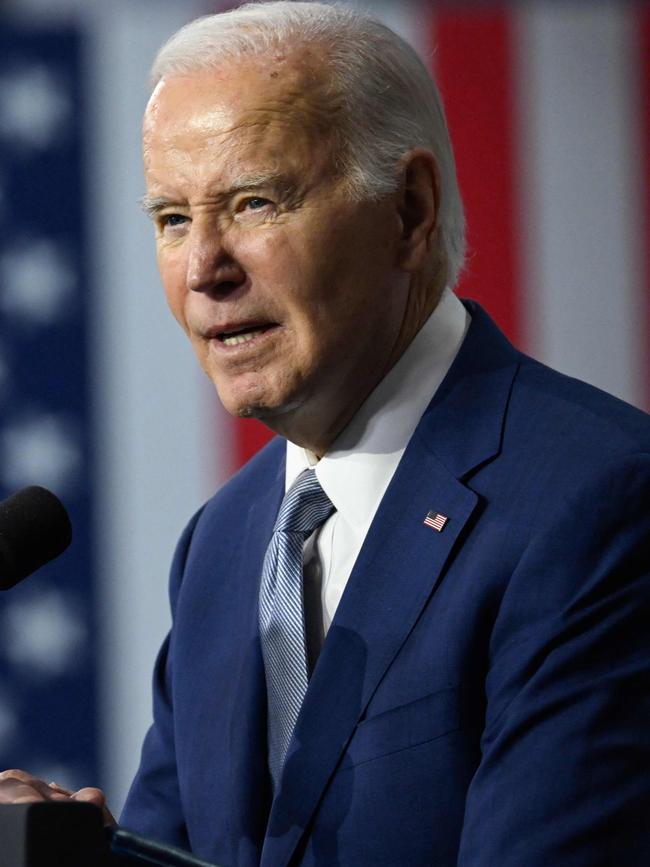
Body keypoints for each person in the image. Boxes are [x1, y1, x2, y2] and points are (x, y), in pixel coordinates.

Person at [1, 2, 649, 865]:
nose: (205, 270)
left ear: (410, 211)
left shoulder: (597, 503)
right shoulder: (222, 547)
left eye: (255, 202)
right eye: (172, 219)